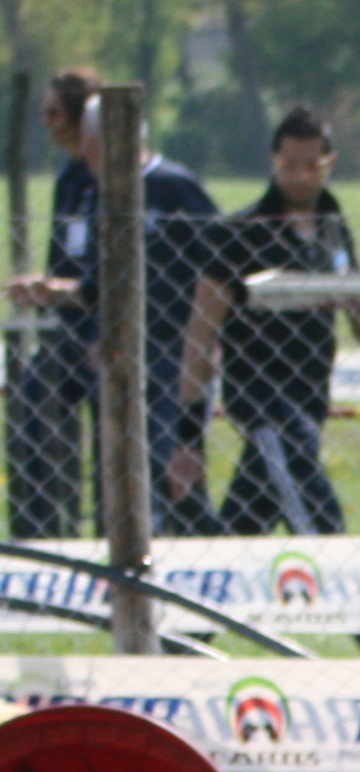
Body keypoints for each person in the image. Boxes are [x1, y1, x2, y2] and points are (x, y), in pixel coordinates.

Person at [176, 104, 360, 537]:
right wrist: (187, 437)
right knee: (320, 528)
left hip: (310, 400)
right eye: (288, 166)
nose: (299, 177)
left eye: (312, 166)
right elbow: (201, 334)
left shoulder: (333, 227)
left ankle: (212, 570)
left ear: (330, 163)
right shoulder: (237, 234)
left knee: (246, 525)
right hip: (263, 404)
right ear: (272, 160)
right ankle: (334, 575)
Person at [7, 91, 229, 536]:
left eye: (90, 145)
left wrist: (208, 339)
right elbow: (98, 281)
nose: (85, 155)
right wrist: (58, 292)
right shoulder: (97, 193)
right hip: (106, 343)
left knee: (160, 463)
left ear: (108, 142)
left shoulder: (173, 186)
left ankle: (171, 542)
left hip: (170, 346)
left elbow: (223, 257)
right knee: (37, 394)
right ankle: (45, 530)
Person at [5, 70, 99, 538]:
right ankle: (45, 532)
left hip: (108, 329)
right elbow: (62, 258)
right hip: (69, 328)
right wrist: (46, 290)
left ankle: (111, 529)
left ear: (82, 118)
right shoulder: (68, 179)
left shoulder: (111, 178)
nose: (45, 122)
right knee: (30, 404)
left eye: (53, 112)